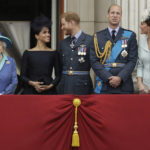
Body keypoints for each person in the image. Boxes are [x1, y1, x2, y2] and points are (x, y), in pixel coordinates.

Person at [90, 4, 138, 94]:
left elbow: (132, 60)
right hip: (104, 84)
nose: (115, 15)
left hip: (124, 84)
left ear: (121, 16)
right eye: (112, 13)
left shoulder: (130, 35)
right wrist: (108, 77)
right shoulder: (97, 37)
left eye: (118, 13)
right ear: (107, 15)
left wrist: (120, 77)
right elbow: (94, 61)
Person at [20, 15, 60, 94]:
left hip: (49, 92)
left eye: (48, 32)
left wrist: (50, 86)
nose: (48, 34)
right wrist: (33, 83)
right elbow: (22, 76)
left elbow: (58, 75)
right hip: (31, 92)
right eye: (44, 32)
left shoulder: (54, 53)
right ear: (37, 36)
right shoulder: (28, 53)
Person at [58, 11, 93, 95]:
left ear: (71, 22)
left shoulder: (90, 40)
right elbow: (59, 67)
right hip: (65, 86)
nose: (62, 28)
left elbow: (96, 64)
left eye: (63, 24)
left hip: (82, 87)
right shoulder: (63, 43)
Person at [137, 9, 150, 94]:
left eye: (142, 24)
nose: (140, 26)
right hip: (144, 89)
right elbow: (140, 65)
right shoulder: (141, 41)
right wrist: (139, 83)